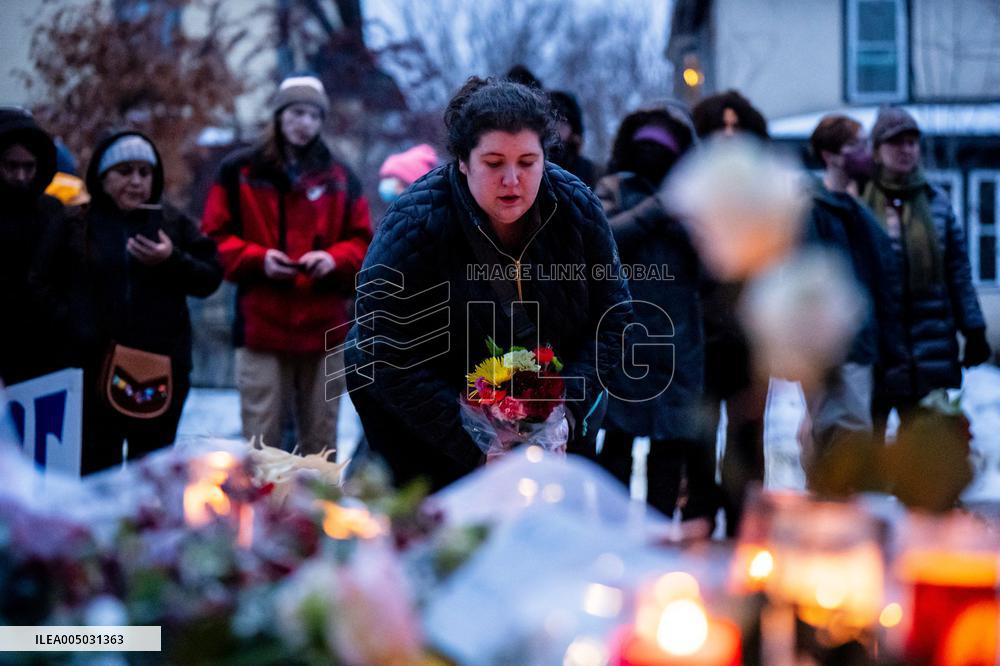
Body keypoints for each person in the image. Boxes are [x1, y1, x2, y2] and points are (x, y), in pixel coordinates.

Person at [344, 76, 633, 490]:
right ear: (464, 161)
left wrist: (565, 412)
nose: (512, 180)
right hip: (428, 427)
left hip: (553, 418)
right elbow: (382, 346)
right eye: (494, 163)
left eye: (528, 162)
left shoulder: (577, 207)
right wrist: (474, 443)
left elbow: (614, 317)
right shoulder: (414, 224)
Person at [202, 74, 373, 455]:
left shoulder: (341, 176)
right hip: (261, 326)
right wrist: (259, 260)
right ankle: (264, 499)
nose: (304, 123)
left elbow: (365, 243)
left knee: (321, 443)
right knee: (262, 441)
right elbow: (213, 238)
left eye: (313, 115)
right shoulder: (239, 171)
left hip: (324, 328)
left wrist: (332, 259)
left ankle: (315, 498)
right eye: (296, 113)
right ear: (279, 115)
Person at [43, 130, 224, 474]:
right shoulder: (74, 224)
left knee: (152, 474)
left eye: (145, 172)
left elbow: (209, 278)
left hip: (160, 372)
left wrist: (171, 259)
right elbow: (43, 284)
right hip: (90, 372)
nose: (136, 181)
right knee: (97, 472)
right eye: (124, 171)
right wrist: (75, 328)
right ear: (102, 176)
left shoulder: (172, 223)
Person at [595, 103, 717, 526]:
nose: (652, 153)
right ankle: (611, 534)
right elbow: (603, 240)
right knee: (617, 443)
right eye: (645, 144)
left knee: (670, 446)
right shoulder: (614, 187)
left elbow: (715, 263)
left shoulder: (697, 197)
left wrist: (687, 222)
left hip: (678, 341)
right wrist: (657, 209)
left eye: (661, 146)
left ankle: (659, 538)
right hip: (624, 335)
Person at [863, 107, 990, 437]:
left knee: (926, 449)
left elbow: (957, 271)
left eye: (912, 142)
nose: (906, 150)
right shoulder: (860, 202)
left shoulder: (936, 202)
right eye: (896, 143)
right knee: (868, 449)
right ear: (876, 150)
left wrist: (974, 329)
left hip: (930, 348)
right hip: (878, 352)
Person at [688, 90, 770, 536]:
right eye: (720, 129)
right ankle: (699, 513)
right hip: (700, 330)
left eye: (737, 129)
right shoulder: (692, 191)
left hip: (749, 334)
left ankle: (745, 520)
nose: (728, 136)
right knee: (698, 434)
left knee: (747, 431)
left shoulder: (765, 196)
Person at [799, 114, 899, 474]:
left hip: (861, 342)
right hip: (835, 344)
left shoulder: (857, 211)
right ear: (830, 156)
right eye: (855, 145)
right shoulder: (814, 211)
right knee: (838, 432)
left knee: (849, 432)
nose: (865, 153)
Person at [0, 107, 66, 386]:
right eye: (11, 166)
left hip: (42, 352)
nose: (20, 177)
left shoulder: (52, 212)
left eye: (28, 167)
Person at [548, 90, 599, 188]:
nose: (555, 127)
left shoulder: (585, 168)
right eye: (551, 121)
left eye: (562, 122)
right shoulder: (537, 160)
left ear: (572, 128)